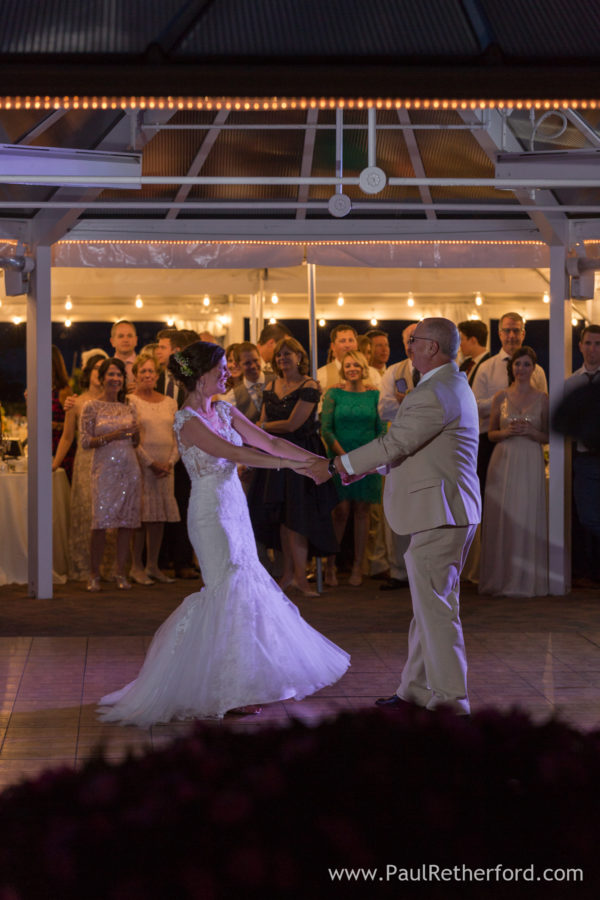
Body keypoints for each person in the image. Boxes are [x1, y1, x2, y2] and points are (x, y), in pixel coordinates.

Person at [97, 340, 350, 725]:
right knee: (227, 588)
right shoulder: (187, 420)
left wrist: (320, 461)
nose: (228, 372)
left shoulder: (224, 409)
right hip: (210, 512)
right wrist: (292, 467)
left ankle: (244, 682)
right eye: (222, 368)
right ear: (201, 375)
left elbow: (268, 440)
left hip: (234, 507)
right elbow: (236, 454)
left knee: (246, 587)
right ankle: (225, 689)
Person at [306, 318, 481, 715]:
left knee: (435, 611)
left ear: (432, 348)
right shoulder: (448, 384)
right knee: (429, 608)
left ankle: (452, 700)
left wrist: (338, 465)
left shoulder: (435, 390)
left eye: (414, 341)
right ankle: (415, 691)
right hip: (446, 509)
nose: (409, 348)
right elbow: (408, 450)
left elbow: (396, 442)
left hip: (441, 511)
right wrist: (358, 467)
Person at [248, 337, 338, 597]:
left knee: (297, 516)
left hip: (299, 455)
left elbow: (292, 424)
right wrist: (257, 444)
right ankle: (288, 574)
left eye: (288, 354)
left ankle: (301, 577)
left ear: (300, 357)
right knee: (280, 517)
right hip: (275, 457)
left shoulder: (309, 385)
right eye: (279, 355)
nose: (282, 359)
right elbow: (265, 417)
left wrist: (260, 428)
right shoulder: (272, 384)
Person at [479, 347, 549, 597]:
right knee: (504, 516)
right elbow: (490, 433)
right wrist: (506, 433)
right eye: (518, 364)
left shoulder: (543, 398)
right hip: (504, 458)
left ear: (534, 368)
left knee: (527, 513)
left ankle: (526, 579)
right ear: (512, 368)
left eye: (527, 364)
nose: (521, 369)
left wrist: (532, 433)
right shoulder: (500, 396)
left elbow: (548, 435)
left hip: (530, 458)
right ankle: (501, 577)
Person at [321, 350, 385, 587]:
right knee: (340, 511)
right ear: (342, 370)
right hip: (340, 456)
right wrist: (345, 459)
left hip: (367, 458)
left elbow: (381, 429)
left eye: (356, 365)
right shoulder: (334, 394)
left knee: (362, 511)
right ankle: (330, 565)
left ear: (363, 367)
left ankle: (359, 565)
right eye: (347, 366)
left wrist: (371, 457)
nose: (352, 369)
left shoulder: (374, 395)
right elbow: (326, 429)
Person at [80, 358, 142, 592]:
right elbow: (86, 441)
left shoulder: (129, 407)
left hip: (129, 467)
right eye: (111, 374)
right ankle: (94, 573)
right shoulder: (91, 407)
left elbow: (135, 442)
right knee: (100, 523)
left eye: (119, 375)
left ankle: (120, 572)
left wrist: (135, 433)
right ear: (102, 377)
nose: (115, 379)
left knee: (127, 522)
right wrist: (114, 434)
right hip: (104, 469)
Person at [472, 312, 547, 495]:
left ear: (523, 334)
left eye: (516, 331)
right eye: (507, 331)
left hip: (528, 443)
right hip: (490, 443)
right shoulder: (485, 368)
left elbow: (544, 407)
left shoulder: (537, 372)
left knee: (524, 496)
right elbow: (475, 406)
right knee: (492, 497)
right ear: (499, 334)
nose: (511, 336)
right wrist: (505, 401)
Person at [52, 353, 106, 581]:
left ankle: (108, 567)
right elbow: (67, 438)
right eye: (96, 369)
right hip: (85, 464)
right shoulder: (76, 402)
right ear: (89, 373)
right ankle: (85, 567)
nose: (99, 374)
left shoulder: (118, 402)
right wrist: (53, 465)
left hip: (111, 464)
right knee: (86, 514)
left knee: (109, 517)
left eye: (104, 370)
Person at [128, 353, 180, 585]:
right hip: (142, 466)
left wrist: (170, 462)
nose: (148, 375)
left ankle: (153, 566)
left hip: (166, 467)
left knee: (158, 518)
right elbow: (132, 439)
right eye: (143, 372)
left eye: (151, 371)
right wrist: (150, 463)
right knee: (140, 518)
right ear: (136, 375)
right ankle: (136, 567)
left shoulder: (170, 402)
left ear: (157, 376)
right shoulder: (130, 401)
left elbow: (178, 436)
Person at [155, 327, 200, 579]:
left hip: (187, 451)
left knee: (184, 505)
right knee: (160, 506)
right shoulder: (152, 377)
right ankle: (160, 561)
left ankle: (183, 561)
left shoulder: (190, 378)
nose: (157, 352)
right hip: (159, 451)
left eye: (162, 347)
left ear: (176, 351)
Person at [376, 322, 418, 590]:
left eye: (416, 339)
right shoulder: (394, 371)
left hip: (430, 448)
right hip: (400, 448)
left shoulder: (441, 371)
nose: (411, 344)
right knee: (399, 505)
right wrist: (411, 403)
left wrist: (407, 401)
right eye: (408, 340)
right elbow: (384, 409)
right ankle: (400, 570)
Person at [557, 325, 600, 587]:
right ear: (580, 346)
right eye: (589, 343)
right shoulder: (571, 383)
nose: (593, 349)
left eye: (598, 343)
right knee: (587, 517)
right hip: (584, 460)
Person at [317, 324, 382, 391]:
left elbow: (382, 399)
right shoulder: (321, 375)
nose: (347, 345)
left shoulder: (373, 374)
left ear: (356, 344)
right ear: (333, 346)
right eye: (342, 341)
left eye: (351, 340)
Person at [51, 345, 75, 480]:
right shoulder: (40, 388)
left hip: (61, 445)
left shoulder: (63, 390)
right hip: (45, 445)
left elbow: (72, 424)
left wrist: (52, 425)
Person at [458, 320, 490, 386]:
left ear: (473, 340)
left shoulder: (490, 363)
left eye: (462, 339)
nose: (459, 344)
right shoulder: (465, 364)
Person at [110, 319, 138, 389]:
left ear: (136, 340)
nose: (125, 340)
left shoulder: (144, 366)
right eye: (121, 336)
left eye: (129, 336)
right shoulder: (105, 368)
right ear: (112, 341)